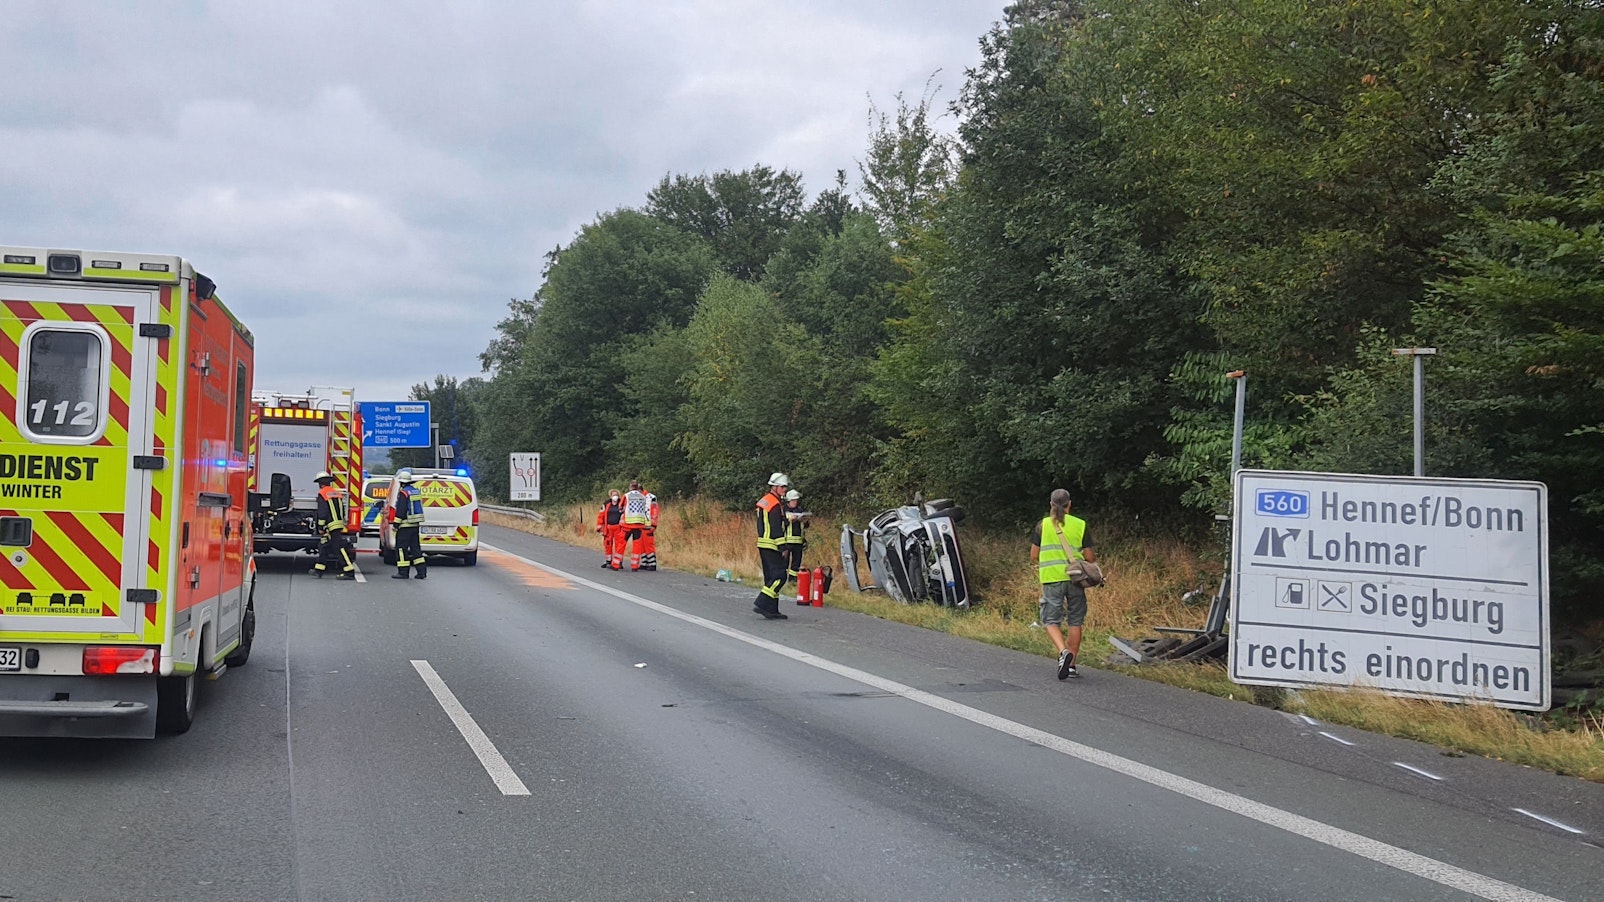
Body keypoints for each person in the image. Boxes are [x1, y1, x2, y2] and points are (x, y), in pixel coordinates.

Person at [1030, 488, 1097, 679]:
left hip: (1051, 578)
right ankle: (1072, 666)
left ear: (1051, 504)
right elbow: (1090, 557)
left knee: (1050, 620)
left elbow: (1034, 555)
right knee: (1075, 620)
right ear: (1070, 504)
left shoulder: (1042, 525)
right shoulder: (1080, 524)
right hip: (1076, 578)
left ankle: (1062, 652)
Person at [753, 473, 791, 620]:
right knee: (780, 576)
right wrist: (783, 547)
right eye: (782, 486)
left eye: (785, 486)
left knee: (770, 578)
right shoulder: (775, 504)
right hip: (772, 544)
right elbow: (776, 527)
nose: (785, 489)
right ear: (774, 487)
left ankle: (772, 610)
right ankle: (761, 602)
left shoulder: (765, 501)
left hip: (763, 543)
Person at [311, 471, 356, 580]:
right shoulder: (336, 493)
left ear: (320, 483)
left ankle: (349, 571)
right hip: (337, 523)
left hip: (330, 525)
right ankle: (318, 571)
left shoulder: (322, 493)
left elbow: (322, 512)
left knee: (338, 548)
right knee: (324, 546)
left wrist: (320, 527)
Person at [389, 471, 427, 580]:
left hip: (405, 526)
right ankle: (421, 572)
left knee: (401, 549)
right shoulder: (415, 491)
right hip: (415, 525)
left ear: (401, 483)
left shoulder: (404, 493)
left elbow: (401, 510)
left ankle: (403, 572)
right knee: (416, 549)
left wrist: (396, 524)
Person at [782, 488, 808, 602]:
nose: (795, 502)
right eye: (793, 500)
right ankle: (782, 580)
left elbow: (805, 527)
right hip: (787, 541)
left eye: (796, 500)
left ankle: (792, 581)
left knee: (796, 563)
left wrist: (805, 521)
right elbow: (780, 525)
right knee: (784, 562)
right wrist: (789, 521)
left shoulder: (800, 510)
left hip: (798, 541)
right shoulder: (783, 511)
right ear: (788, 501)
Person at [619, 481, 652, 571]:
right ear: (638, 487)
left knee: (621, 544)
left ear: (630, 487)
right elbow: (647, 510)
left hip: (628, 524)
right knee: (637, 546)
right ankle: (635, 566)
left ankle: (616, 564)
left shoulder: (627, 496)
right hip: (639, 525)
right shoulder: (643, 497)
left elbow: (620, 507)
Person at [595, 489, 625, 569]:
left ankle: (618, 562)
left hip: (618, 528)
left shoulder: (622, 503)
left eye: (616, 495)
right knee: (608, 544)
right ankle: (608, 561)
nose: (614, 496)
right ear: (610, 496)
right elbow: (601, 515)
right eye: (613, 495)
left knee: (619, 545)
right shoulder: (606, 503)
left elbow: (625, 514)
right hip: (608, 528)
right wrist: (599, 526)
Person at [636, 490, 660, 571]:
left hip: (648, 526)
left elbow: (655, 512)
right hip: (641, 526)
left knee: (649, 545)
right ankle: (645, 562)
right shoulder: (639, 498)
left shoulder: (651, 498)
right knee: (642, 545)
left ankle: (652, 564)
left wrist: (654, 525)